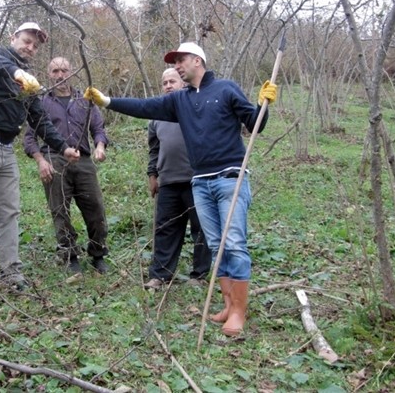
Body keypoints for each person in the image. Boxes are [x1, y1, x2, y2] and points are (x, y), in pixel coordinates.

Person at [84, 42, 277, 337]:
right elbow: (144, 106)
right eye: (174, 62)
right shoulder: (180, 100)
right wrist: (108, 101)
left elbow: (255, 125)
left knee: (234, 244)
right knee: (216, 246)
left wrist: (263, 106)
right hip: (200, 182)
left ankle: (238, 312)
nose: (176, 66)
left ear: (197, 60)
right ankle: (227, 305)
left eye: (180, 60)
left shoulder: (225, 89)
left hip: (230, 178)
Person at [0, 22, 80, 294]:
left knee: (9, 212)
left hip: (5, 147)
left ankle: (11, 273)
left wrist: (63, 148)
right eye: (26, 41)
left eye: (35, 46)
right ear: (13, 38)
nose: (30, 47)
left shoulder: (29, 81)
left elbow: (40, 120)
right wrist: (17, 73)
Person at [24, 57, 110, 274]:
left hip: (83, 160)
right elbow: (30, 138)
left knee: (96, 210)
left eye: (64, 70)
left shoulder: (85, 100)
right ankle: (70, 256)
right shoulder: (41, 102)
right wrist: (41, 161)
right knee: (60, 211)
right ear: (48, 73)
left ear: (72, 72)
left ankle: (98, 254)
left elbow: (99, 129)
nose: (60, 75)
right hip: (55, 160)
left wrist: (100, 146)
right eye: (55, 71)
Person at [145, 68, 211, 289]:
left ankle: (199, 276)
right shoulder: (157, 115)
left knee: (201, 229)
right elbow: (154, 149)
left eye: (172, 81)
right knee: (165, 229)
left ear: (182, 83)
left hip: (197, 180)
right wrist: (152, 175)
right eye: (164, 83)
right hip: (168, 182)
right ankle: (160, 275)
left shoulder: (195, 107)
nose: (168, 86)